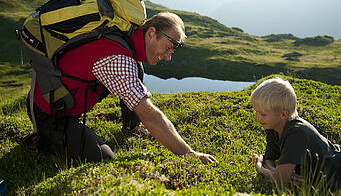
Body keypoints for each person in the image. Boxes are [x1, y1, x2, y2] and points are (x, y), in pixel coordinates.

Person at [26, 11, 217, 164]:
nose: (168, 56)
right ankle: (43, 139)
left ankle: (131, 127)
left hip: (68, 103)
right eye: (168, 47)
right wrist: (188, 153)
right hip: (50, 111)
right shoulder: (117, 59)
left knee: (137, 69)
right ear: (151, 33)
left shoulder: (127, 40)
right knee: (103, 157)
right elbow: (150, 115)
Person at [249, 77, 341, 190]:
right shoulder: (273, 127)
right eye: (256, 112)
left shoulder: (297, 133)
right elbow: (269, 159)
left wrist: (259, 166)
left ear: (283, 114)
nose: (257, 118)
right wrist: (275, 170)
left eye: (262, 114)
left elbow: (280, 179)